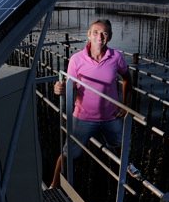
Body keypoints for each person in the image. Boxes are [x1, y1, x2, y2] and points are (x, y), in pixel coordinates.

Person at [51, 19, 132, 188]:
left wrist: (125, 105)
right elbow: (70, 85)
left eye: (104, 33)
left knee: (120, 146)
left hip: (111, 116)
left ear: (109, 37)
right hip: (83, 117)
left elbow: (127, 79)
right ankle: (54, 184)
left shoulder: (116, 57)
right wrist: (60, 88)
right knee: (68, 153)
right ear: (88, 35)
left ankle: (127, 170)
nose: (100, 36)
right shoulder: (76, 59)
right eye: (95, 32)